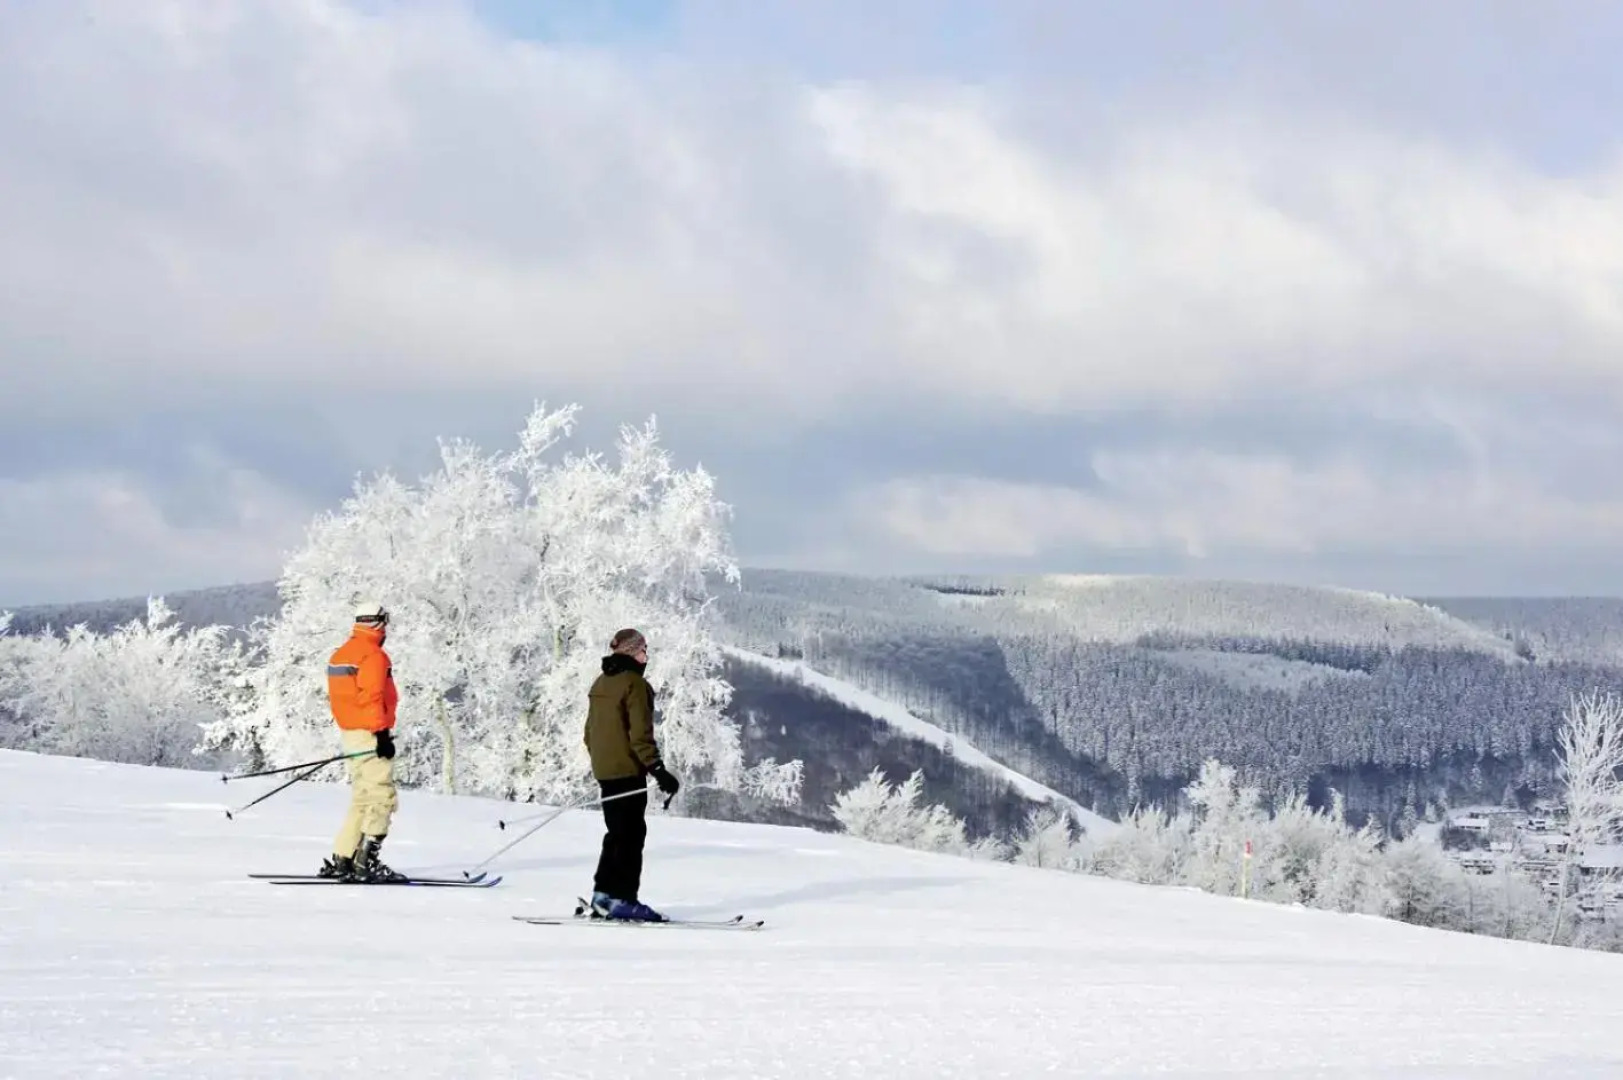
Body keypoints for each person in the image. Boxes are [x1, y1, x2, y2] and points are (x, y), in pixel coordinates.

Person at [583, 628, 681, 920]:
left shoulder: (602, 682)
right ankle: (623, 898)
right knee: (631, 835)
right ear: (631, 652)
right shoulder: (634, 685)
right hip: (627, 770)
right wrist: (659, 770)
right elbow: (640, 735)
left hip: (605, 769)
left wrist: (603, 760)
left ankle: (602, 895)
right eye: (642, 650)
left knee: (616, 832)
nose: (645, 655)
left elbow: (589, 733)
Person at [317, 601, 405, 883]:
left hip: (350, 735)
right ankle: (366, 862)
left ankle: (343, 858)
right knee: (381, 797)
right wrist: (381, 735)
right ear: (378, 622)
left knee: (362, 797)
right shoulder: (373, 656)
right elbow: (372, 697)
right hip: (370, 734)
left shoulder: (342, 654)